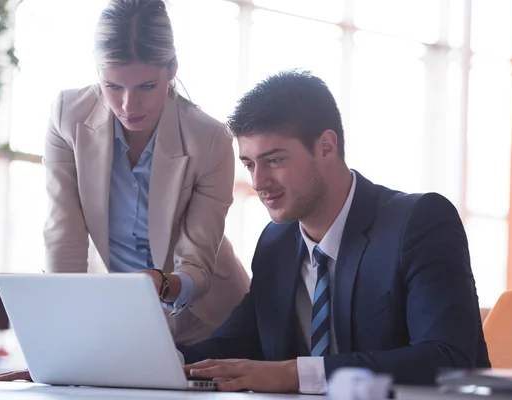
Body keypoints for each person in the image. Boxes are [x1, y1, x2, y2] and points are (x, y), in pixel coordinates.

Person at [177, 70, 491, 394]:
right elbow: (236, 343)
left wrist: (295, 374)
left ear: (326, 147)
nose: (258, 182)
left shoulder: (419, 223)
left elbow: (448, 358)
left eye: (273, 160)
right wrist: (163, 360)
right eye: (249, 164)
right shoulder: (277, 242)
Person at [0, 0, 249, 382]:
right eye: (112, 86)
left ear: (172, 70)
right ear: (98, 74)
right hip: (126, 326)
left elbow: (196, 263)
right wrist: (59, 351)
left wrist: (160, 284)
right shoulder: (68, 116)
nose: (129, 104)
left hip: (208, 322)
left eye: (146, 86)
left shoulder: (210, 139)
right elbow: (65, 239)